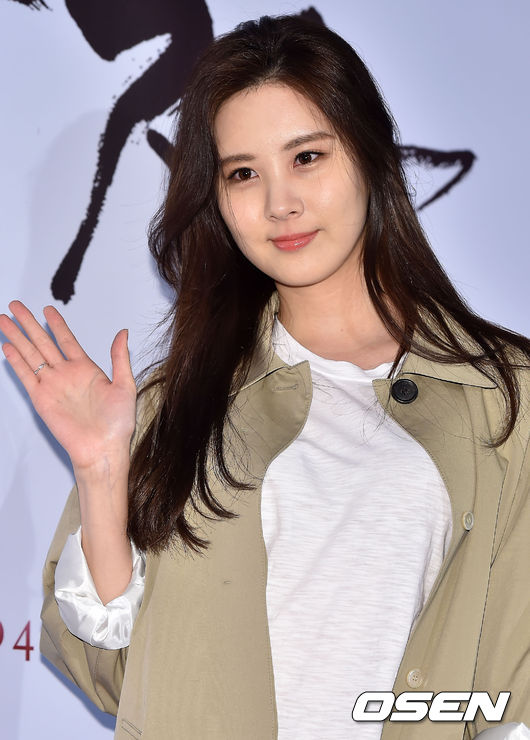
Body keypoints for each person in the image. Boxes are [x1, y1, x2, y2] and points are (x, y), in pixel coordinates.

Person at [1, 13, 528, 740]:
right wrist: (99, 473)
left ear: (371, 155)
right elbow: (112, 670)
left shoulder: (504, 395)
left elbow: (512, 691)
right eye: (243, 173)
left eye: (307, 157)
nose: (280, 204)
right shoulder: (172, 402)